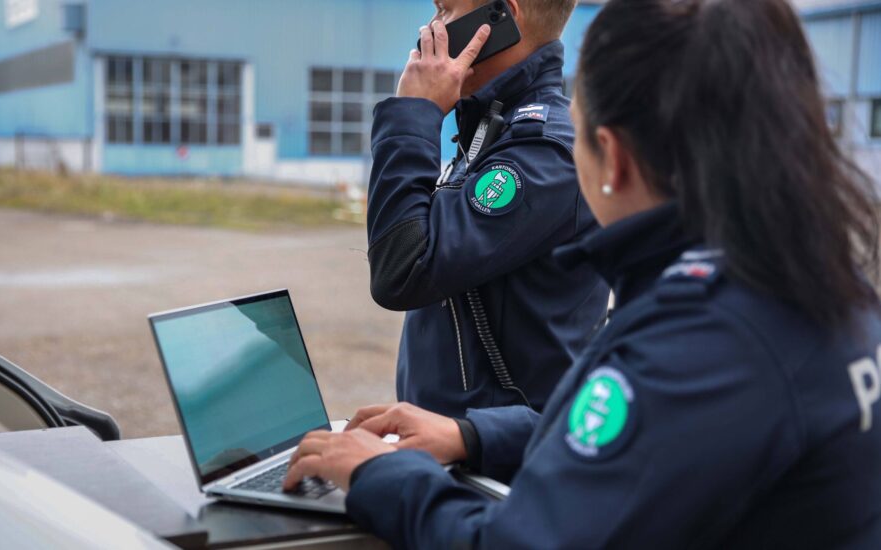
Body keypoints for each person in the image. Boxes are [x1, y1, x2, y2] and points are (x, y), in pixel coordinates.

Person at [284, 0, 881, 547]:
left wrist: (380, 474)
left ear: (611, 157)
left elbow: (516, 542)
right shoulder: (818, 287)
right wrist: (473, 436)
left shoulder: (694, 340)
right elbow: (657, 431)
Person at [366, 0, 609, 416]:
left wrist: (413, 114)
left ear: (502, 16)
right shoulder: (492, 130)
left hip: (498, 450)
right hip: (448, 439)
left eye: (445, 11)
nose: (430, 29)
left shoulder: (544, 151)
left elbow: (401, 270)